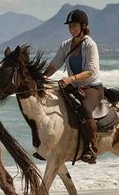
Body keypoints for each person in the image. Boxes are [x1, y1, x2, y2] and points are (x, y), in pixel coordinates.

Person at [42, 9, 102, 164]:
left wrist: (70, 79)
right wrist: (44, 76)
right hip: (73, 87)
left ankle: (91, 148)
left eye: (74, 25)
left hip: (92, 88)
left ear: (83, 26)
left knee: (85, 109)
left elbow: (91, 70)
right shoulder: (65, 45)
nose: (71, 28)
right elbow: (55, 64)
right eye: (69, 26)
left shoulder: (90, 45)